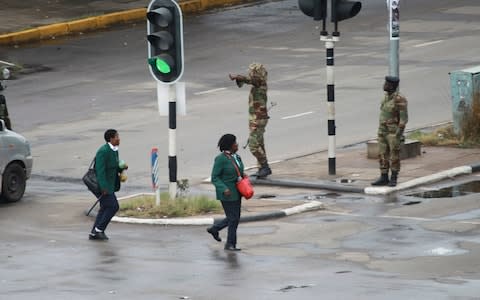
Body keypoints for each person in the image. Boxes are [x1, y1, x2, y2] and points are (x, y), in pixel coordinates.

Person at [229, 63, 271, 178]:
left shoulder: (260, 83)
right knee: (259, 144)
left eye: (253, 71)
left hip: (257, 119)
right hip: (257, 118)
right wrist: (238, 79)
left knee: (253, 145)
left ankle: (265, 167)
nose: (250, 73)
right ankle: (262, 169)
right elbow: (244, 82)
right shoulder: (258, 84)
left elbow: (250, 80)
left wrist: (238, 76)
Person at [207, 134, 244, 251]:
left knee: (234, 218)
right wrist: (224, 188)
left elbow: (239, 171)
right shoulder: (221, 159)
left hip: (238, 192)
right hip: (227, 194)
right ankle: (230, 244)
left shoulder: (236, 157)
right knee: (233, 218)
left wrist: (243, 176)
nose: (237, 144)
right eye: (235, 143)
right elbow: (215, 177)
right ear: (230, 145)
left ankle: (215, 229)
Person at [89, 129, 127, 241]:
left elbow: (114, 166)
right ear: (111, 139)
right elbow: (100, 171)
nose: (119, 138)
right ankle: (98, 230)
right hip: (104, 186)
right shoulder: (103, 151)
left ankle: (94, 233)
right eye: (117, 136)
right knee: (113, 206)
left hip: (110, 185)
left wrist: (122, 167)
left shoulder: (114, 150)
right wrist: (103, 187)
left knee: (105, 207)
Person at [371, 76, 408, 187]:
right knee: (382, 154)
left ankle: (394, 178)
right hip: (382, 131)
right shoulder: (386, 97)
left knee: (394, 155)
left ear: (391, 86)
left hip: (393, 133)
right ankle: (383, 176)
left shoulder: (399, 99)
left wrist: (398, 134)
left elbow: (404, 119)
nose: (384, 85)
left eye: (386, 83)